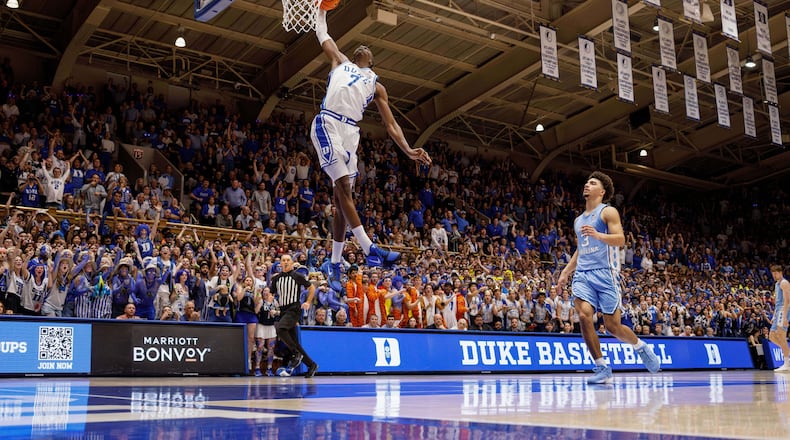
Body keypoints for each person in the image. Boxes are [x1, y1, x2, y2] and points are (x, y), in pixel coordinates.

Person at [311, 9, 432, 292]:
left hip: (351, 133)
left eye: (368, 49)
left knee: (342, 201)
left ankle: (335, 263)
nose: (364, 47)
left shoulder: (377, 86)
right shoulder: (339, 60)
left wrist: (408, 149)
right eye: (361, 47)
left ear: (371, 62)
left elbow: (391, 124)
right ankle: (368, 247)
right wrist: (320, 9)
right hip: (329, 122)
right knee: (343, 188)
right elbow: (321, 32)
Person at [557, 171, 660, 384]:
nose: (587, 185)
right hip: (583, 274)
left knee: (613, 327)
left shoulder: (608, 211)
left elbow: (620, 240)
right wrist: (566, 272)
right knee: (584, 316)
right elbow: (581, 249)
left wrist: (598, 235)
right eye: (587, 182)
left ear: (602, 191)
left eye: (592, 183)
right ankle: (601, 367)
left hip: (606, 273)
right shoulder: (578, 220)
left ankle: (640, 346)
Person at [269, 254, 318, 378]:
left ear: (291, 263)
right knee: (294, 342)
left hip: (294, 309)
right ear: (280, 263)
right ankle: (311, 365)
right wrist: (270, 303)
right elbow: (271, 293)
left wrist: (308, 302)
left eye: (288, 260)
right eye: (283, 260)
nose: (285, 262)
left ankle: (296, 354)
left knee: (280, 328)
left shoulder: (297, 276)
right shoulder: (276, 278)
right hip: (283, 310)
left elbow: (312, 288)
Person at [769, 265, 790, 372]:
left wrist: (785, 316)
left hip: (783, 310)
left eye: (775, 273)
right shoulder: (777, 284)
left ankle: (786, 363)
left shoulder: (784, 283)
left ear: (780, 272)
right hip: (778, 311)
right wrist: (774, 315)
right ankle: (787, 352)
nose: (774, 275)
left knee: (781, 336)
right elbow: (777, 302)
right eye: (773, 273)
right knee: (772, 336)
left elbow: (787, 301)